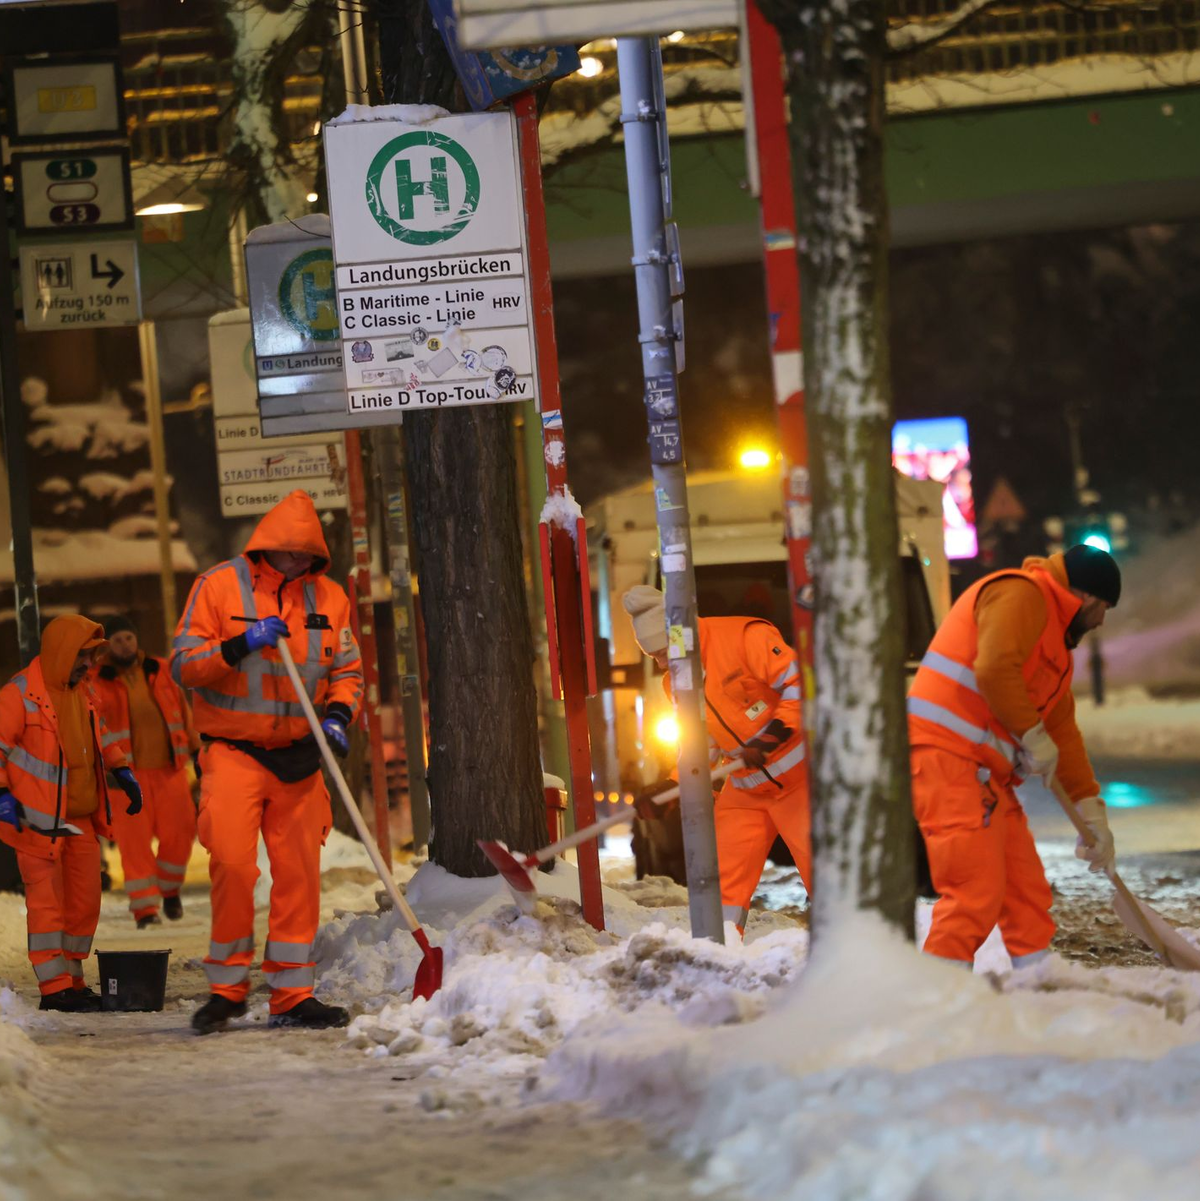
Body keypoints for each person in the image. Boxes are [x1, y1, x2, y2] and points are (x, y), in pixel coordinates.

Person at [171, 490, 363, 1034]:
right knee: (233, 864)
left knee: (298, 875)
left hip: (300, 757)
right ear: (268, 548)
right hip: (234, 751)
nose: (301, 563)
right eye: (292, 553)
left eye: (309, 556)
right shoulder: (218, 586)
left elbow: (347, 670)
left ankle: (291, 993)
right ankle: (227, 989)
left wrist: (337, 718)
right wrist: (240, 644)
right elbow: (183, 667)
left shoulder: (328, 599)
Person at [907, 544, 1121, 969]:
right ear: (1090, 600)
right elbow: (995, 669)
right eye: (1105, 610)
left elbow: (1063, 731)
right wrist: (1030, 733)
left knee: (1025, 890)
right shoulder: (1021, 594)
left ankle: (1038, 982)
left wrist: (1089, 808)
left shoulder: (1055, 646)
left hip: (985, 774)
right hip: (947, 759)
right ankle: (938, 1000)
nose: (1100, 622)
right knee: (974, 890)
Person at [622, 585, 809, 941]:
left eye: (663, 652)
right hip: (746, 789)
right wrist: (673, 784)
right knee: (721, 880)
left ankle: (850, 953)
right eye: (654, 656)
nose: (661, 664)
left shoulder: (745, 637)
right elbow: (699, 743)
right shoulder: (676, 682)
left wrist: (774, 733)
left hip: (801, 784)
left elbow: (799, 684)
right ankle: (719, 948)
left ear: (681, 636)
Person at [0, 616, 142, 1011]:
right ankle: (54, 988)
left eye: (92, 656)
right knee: (48, 904)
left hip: (79, 817)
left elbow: (99, 736)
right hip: (34, 819)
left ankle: (74, 981)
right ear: (63, 651)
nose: (89, 664)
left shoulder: (82, 691)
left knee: (82, 902)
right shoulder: (19, 694)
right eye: (83, 655)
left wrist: (121, 768)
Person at [89, 615, 200, 928]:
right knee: (134, 846)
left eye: (129, 637)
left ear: (136, 639)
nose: (124, 644)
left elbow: (183, 713)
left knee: (181, 834)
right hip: (125, 780)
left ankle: (169, 889)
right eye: (117, 639)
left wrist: (197, 750)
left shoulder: (161, 670)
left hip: (169, 771)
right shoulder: (96, 681)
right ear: (107, 645)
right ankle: (145, 909)